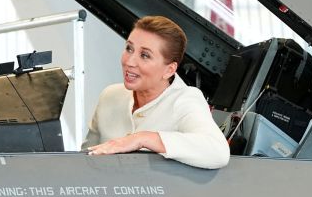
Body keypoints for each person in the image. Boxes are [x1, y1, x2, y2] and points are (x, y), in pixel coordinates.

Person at [83, 15, 230, 169]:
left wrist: (142, 139)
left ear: (169, 70)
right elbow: (85, 159)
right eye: (129, 48)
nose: (129, 61)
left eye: (145, 55)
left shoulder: (185, 99)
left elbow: (217, 151)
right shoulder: (110, 95)